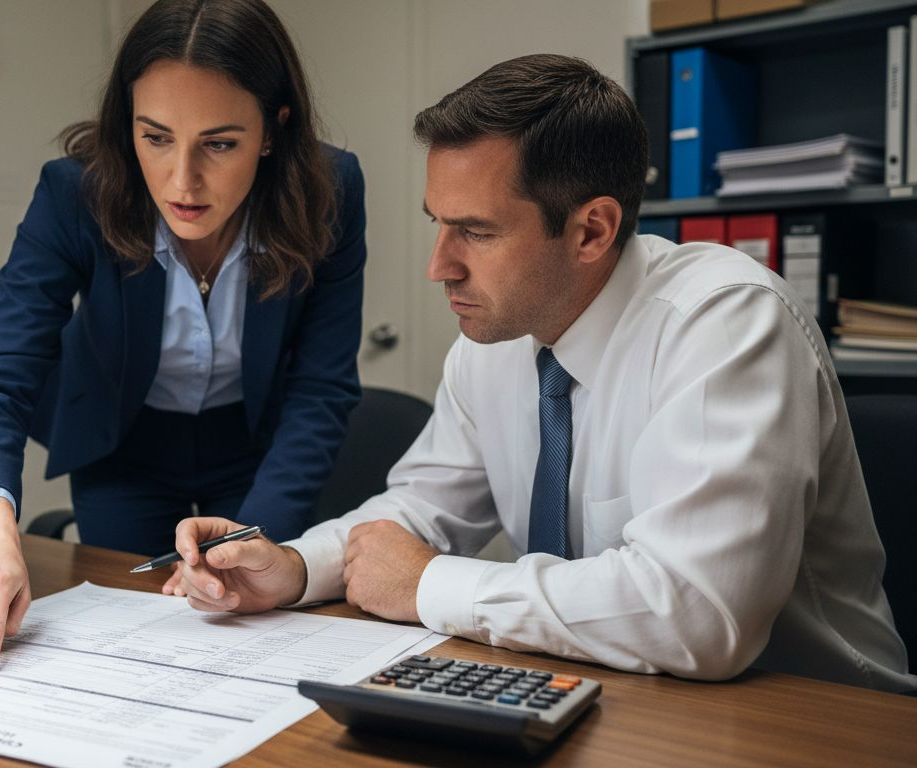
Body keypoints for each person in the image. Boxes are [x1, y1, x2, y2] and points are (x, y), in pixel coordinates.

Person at [170, 53, 915, 693]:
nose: (439, 266)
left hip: (814, 720)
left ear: (592, 229)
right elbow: (420, 513)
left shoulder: (726, 322)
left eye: (478, 231)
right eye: (439, 222)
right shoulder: (494, 342)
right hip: (616, 694)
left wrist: (430, 583)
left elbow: (697, 615)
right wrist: (294, 567)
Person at [0, 0, 366, 675]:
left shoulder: (330, 189)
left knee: (241, 626)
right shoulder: (74, 193)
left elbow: (321, 386)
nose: (181, 180)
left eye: (219, 143)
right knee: (135, 635)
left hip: (256, 444)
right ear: (126, 124)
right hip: (122, 447)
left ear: (274, 129)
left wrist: (254, 538)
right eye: (155, 137)